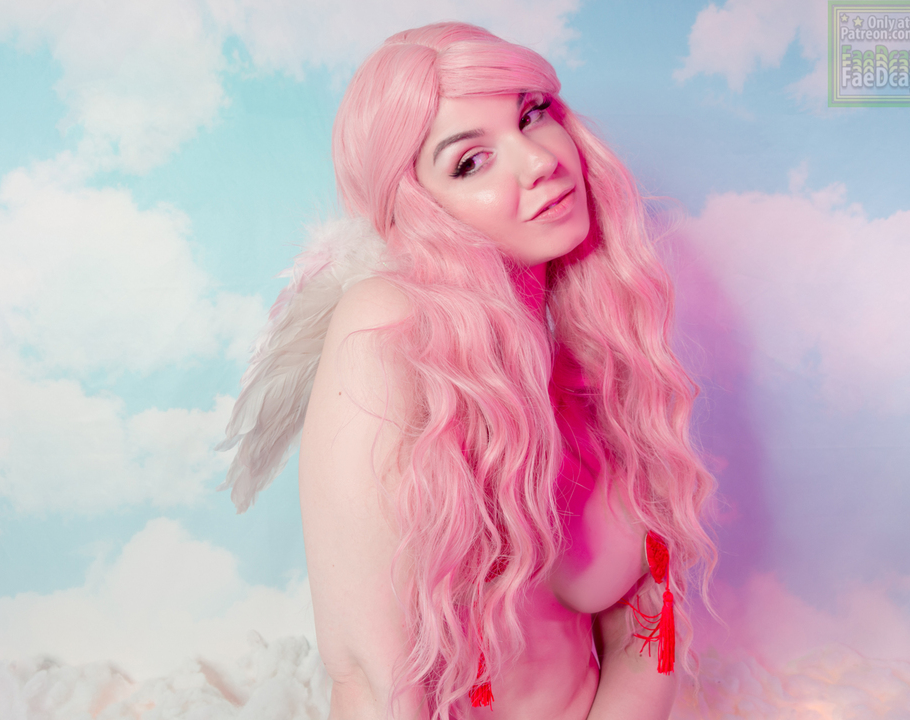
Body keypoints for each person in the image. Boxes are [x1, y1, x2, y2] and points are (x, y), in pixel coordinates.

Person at [220, 21, 716, 720]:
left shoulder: (603, 360)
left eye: (530, 115)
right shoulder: (385, 328)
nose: (538, 161)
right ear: (416, 210)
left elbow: (647, 630)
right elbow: (368, 674)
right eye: (470, 161)